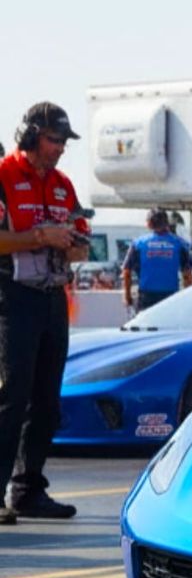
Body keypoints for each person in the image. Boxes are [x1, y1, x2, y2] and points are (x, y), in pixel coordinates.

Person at [0, 102, 93, 522]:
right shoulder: (3, 175)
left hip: (53, 297)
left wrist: (73, 245)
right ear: (31, 136)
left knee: (46, 401)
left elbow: (82, 238)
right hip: (12, 296)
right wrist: (40, 236)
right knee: (12, 396)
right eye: (54, 140)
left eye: (63, 142)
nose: (59, 149)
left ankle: (28, 489)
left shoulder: (63, 185)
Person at [122, 208, 192, 312]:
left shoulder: (138, 244)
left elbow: (127, 272)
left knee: (146, 322)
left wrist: (127, 296)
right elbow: (187, 274)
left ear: (149, 224)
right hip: (170, 296)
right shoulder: (179, 243)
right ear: (167, 223)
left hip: (146, 296)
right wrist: (188, 297)